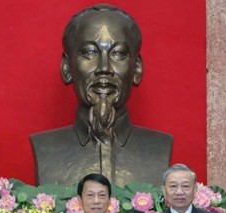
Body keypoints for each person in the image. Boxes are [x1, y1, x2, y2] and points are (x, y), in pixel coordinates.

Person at [31, 4, 172, 187]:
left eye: (118, 53)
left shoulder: (159, 147)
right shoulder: (45, 148)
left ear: (136, 68)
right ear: (67, 67)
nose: (104, 68)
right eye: (90, 52)